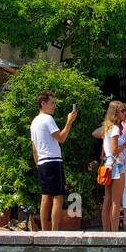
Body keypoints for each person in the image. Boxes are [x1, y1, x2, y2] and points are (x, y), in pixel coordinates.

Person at [31, 91, 78, 231]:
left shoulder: (34, 122)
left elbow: (34, 148)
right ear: (43, 103)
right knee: (58, 197)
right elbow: (61, 138)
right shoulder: (47, 119)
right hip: (52, 160)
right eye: (52, 103)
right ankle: (54, 232)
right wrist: (69, 121)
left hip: (42, 162)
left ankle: (45, 230)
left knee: (45, 196)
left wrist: (38, 164)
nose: (54, 106)